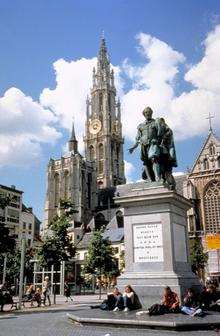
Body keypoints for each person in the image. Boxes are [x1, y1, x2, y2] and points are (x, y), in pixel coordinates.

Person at [129, 107, 177, 190]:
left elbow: (168, 130)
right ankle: (151, 180)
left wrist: (164, 138)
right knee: (146, 163)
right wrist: (133, 147)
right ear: (144, 114)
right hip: (144, 146)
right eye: (146, 113)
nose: (148, 114)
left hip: (154, 144)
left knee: (154, 158)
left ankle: (158, 178)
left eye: (149, 112)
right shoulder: (140, 126)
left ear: (151, 113)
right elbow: (137, 138)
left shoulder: (156, 122)